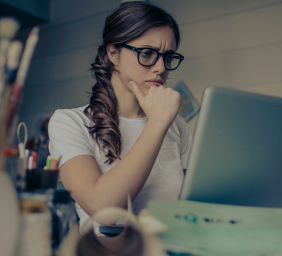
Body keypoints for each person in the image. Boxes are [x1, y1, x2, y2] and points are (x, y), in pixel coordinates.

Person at [48, 2, 192, 232]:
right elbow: (104, 210)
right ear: (113, 53)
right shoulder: (69, 123)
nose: (160, 68)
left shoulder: (178, 127)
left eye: (168, 56)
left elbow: (190, 210)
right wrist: (158, 122)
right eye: (146, 53)